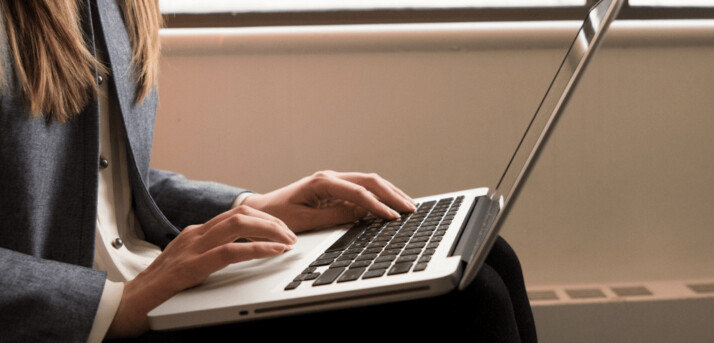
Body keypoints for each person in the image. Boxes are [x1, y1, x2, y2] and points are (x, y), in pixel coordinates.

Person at [0, 1, 536, 342]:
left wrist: (247, 209)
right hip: (83, 314)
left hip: (148, 286)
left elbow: (97, 186)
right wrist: (108, 304)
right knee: (470, 307)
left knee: (488, 257)